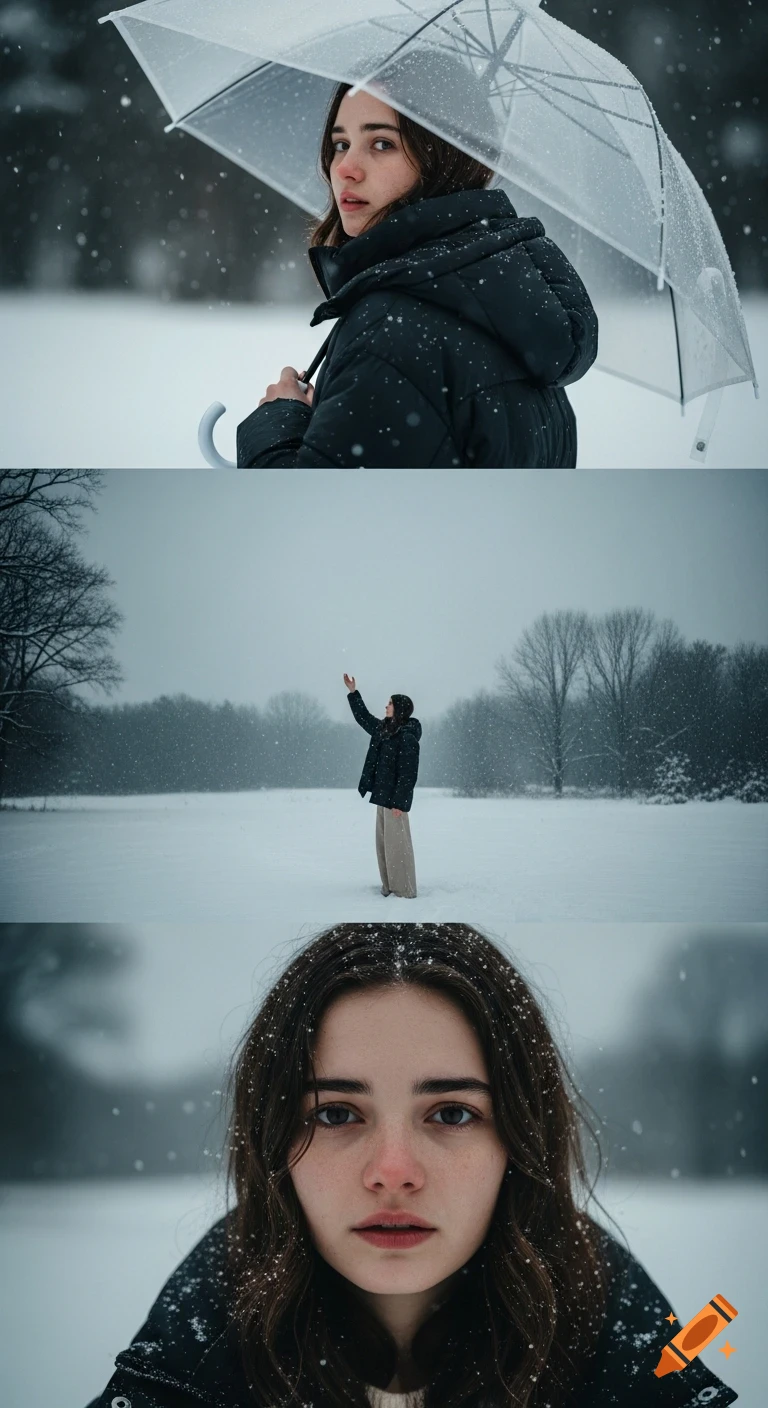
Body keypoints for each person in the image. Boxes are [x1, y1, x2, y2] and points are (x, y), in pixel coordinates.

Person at [88, 923, 737, 1408]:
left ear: (519, 1138)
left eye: (451, 1114)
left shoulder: (616, 1343)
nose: (393, 1171)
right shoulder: (193, 1359)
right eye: (337, 1114)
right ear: (274, 1143)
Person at [236, 56, 598, 470]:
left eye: (382, 143)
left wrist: (278, 423)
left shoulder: (391, 330)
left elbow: (307, 520)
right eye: (340, 144)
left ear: (445, 158)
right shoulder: (506, 308)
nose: (346, 169)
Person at [344, 673, 420, 899]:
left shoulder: (407, 736)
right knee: (384, 847)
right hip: (382, 798)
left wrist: (399, 802)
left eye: (390, 704)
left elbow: (408, 774)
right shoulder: (385, 730)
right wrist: (353, 692)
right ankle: (389, 887)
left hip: (395, 802)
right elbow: (364, 718)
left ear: (400, 709)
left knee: (398, 848)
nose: (386, 706)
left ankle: (404, 890)